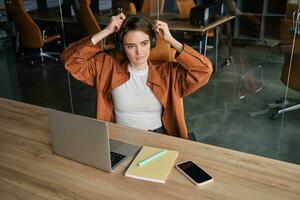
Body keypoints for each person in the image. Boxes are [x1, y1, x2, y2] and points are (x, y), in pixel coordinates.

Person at [61, 13, 213, 139]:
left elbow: (204, 69)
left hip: (158, 138)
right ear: (122, 47)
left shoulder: (168, 73)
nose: (139, 52)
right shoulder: (107, 68)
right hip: (120, 137)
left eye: (144, 43)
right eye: (130, 46)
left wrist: (171, 40)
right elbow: (70, 61)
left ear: (152, 42)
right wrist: (106, 31)